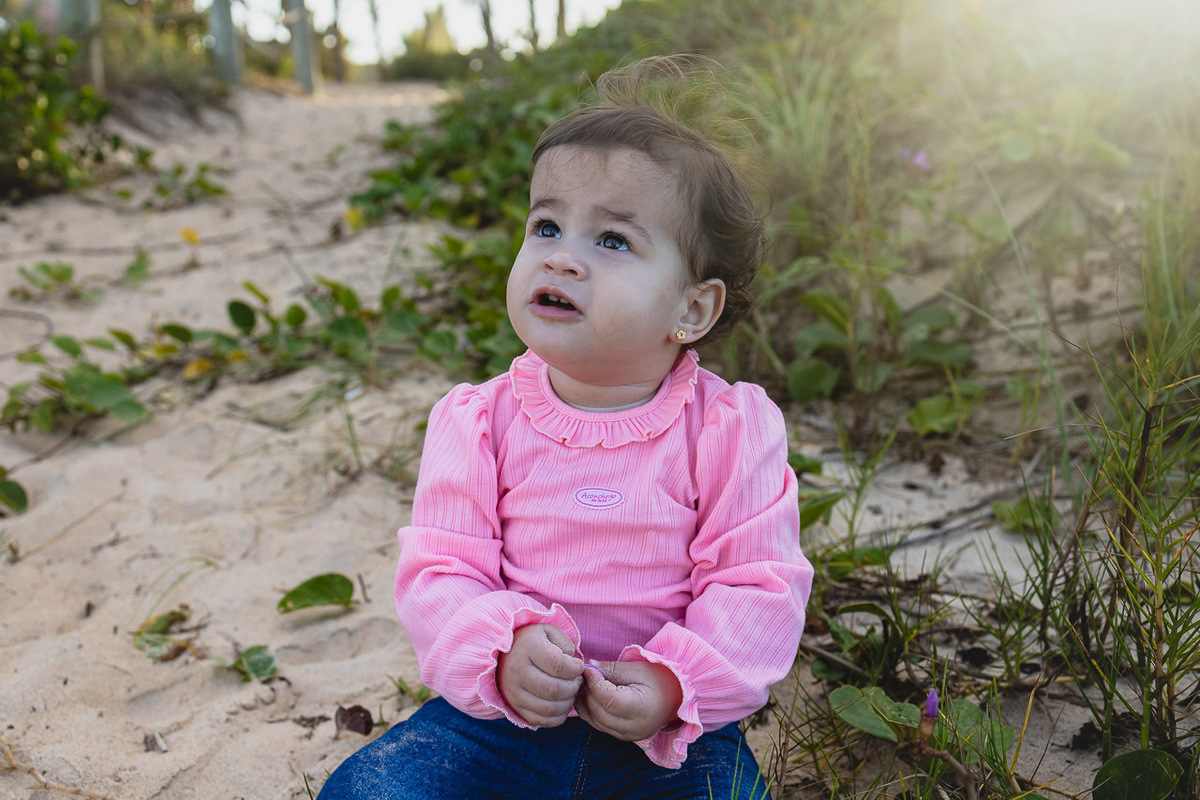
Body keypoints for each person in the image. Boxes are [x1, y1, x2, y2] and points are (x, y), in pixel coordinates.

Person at [317, 57, 813, 800]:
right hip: (497, 725)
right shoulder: (479, 420)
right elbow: (442, 571)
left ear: (692, 310)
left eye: (611, 241)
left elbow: (757, 585)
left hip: (668, 739)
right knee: (369, 791)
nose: (560, 255)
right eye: (546, 225)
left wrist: (670, 685)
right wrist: (502, 648)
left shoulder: (730, 429)